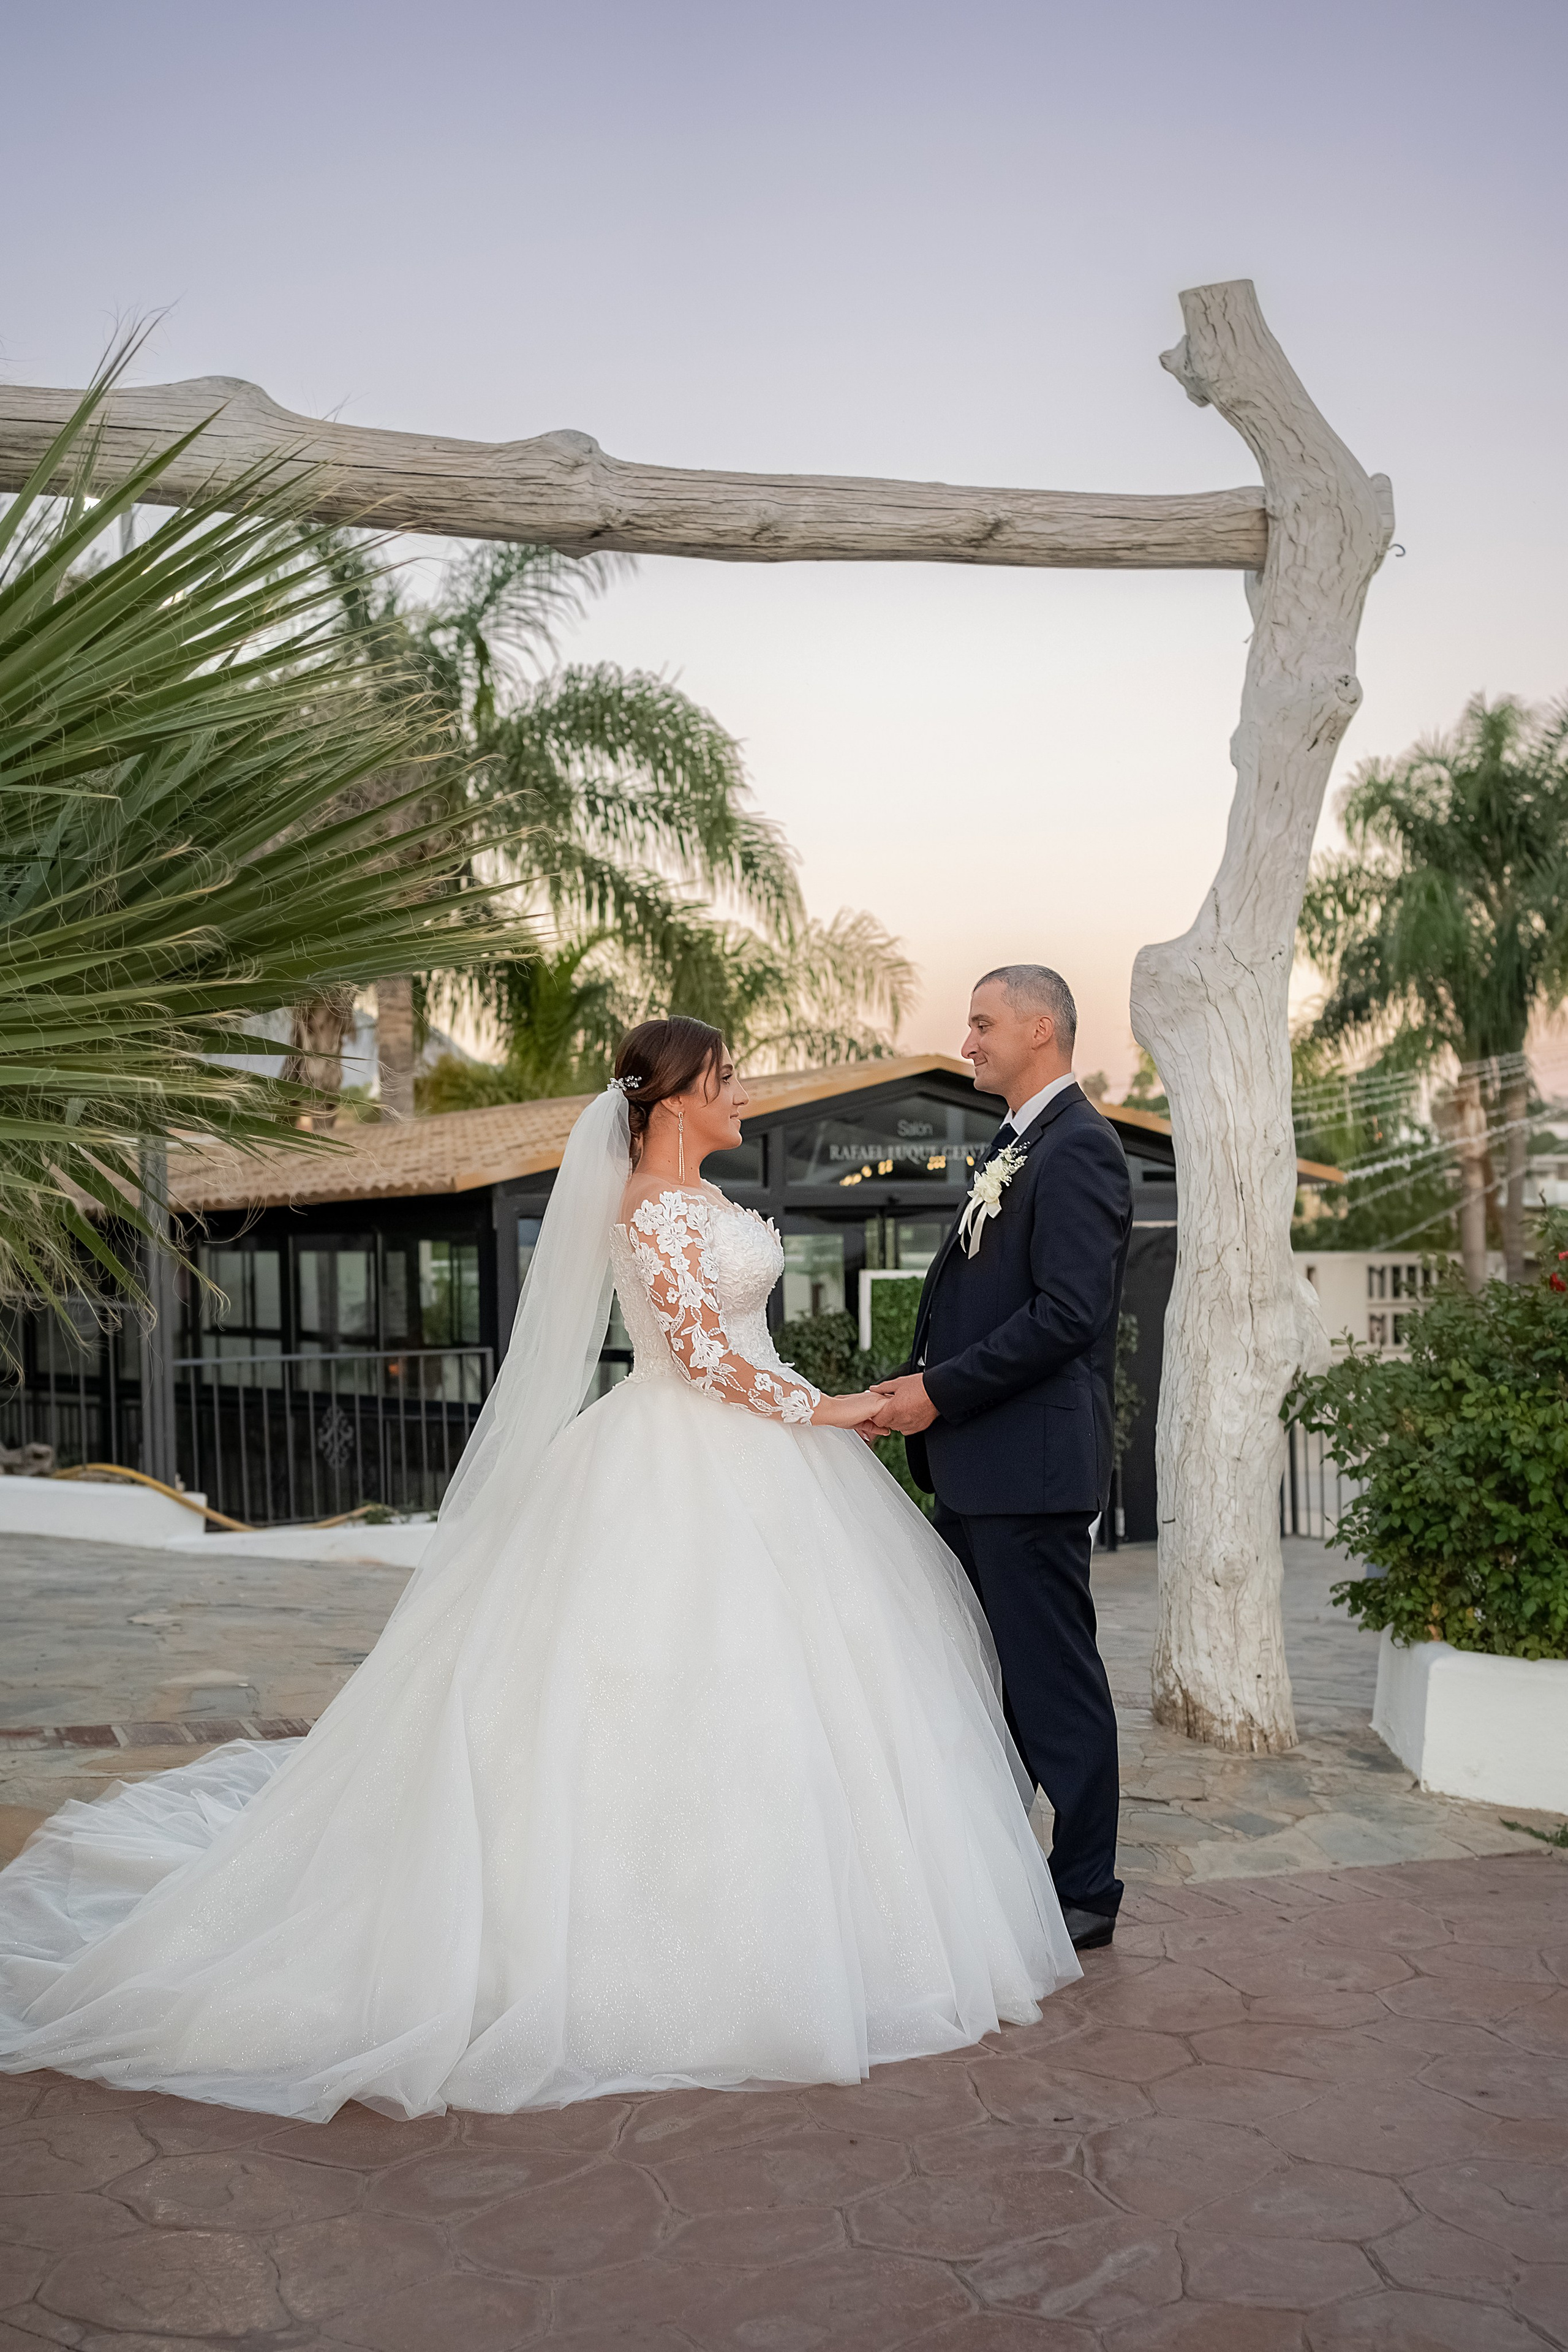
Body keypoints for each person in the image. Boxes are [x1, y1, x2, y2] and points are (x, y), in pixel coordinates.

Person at [0, 1017, 1079, 2122]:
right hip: (685, 1454)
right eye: (725, 1078)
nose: (742, 1091)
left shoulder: (702, 1201)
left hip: (768, 1458)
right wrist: (836, 1408)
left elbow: (738, 1347)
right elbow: (703, 1359)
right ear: (670, 1102)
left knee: (807, 1693)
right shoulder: (651, 1209)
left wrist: (817, 1409)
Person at [867, 968, 1132, 1948]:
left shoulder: (1083, 1150)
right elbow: (963, 1308)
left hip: (1029, 1472)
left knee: (1052, 1681)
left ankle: (1086, 1891)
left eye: (981, 1023)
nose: (967, 1040)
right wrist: (904, 1391)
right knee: (978, 1677)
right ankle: (996, 1868)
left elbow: (1068, 1316)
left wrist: (936, 1393)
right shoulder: (1016, 1143)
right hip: (976, 1465)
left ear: (1041, 1028)